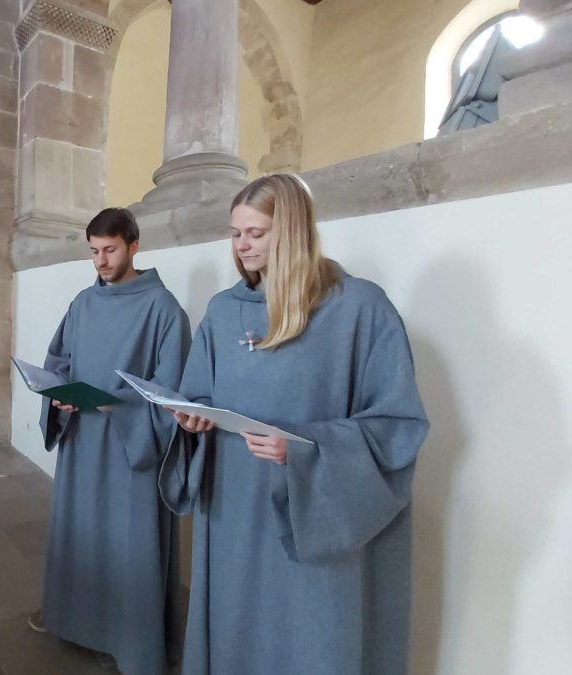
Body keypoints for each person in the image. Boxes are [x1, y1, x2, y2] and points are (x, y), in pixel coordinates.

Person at [162, 174, 429, 675]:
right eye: (236, 233)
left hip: (314, 511)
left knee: (310, 642)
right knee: (237, 629)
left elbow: (397, 425)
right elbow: (197, 390)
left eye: (256, 233)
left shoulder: (359, 308)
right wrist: (192, 416)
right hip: (234, 510)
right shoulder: (222, 313)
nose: (242, 246)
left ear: (294, 230)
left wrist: (308, 450)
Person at [33, 207, 189, 674]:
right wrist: (58, 395)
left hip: (129, 449)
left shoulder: (164, 309)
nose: (101, 261)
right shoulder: (83, 303)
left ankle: (133, 643)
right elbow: (59, 359)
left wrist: (116, 406)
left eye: (110, 250)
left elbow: (172, 391)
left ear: (134, 245)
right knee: (82, 533)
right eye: (94, 252)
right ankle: (74, 621)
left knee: (129, 542)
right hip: (82, 443)